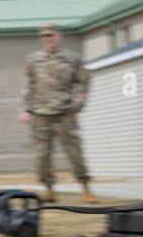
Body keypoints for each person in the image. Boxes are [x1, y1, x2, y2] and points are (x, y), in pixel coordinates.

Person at [20, 23, 94, 203]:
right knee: (42, 155)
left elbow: (84, 83)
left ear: (58, 36)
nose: (49, 39)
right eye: (45, 36)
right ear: (41, 38)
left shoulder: (72, 59)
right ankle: (49, 189)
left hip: (65, 113)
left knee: (74, 152)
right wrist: (24, 108)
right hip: (40, 113)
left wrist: (77, 104)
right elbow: (27, 85)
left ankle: (86, 189)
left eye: (51, 35)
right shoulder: (33, 60)